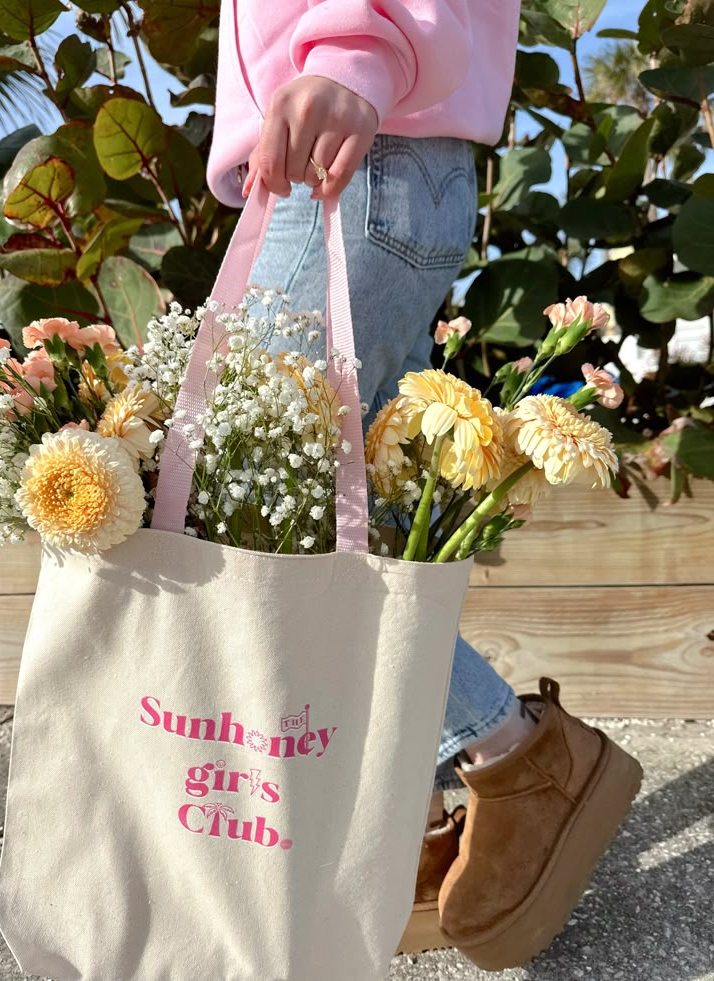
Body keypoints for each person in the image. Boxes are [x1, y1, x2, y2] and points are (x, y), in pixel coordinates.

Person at [206, 2, 643, 970]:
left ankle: (517, 754)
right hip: (365, 151)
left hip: (360, 142)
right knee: (363, 501)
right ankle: (415, 808)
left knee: (267, 496)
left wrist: (356, 49)